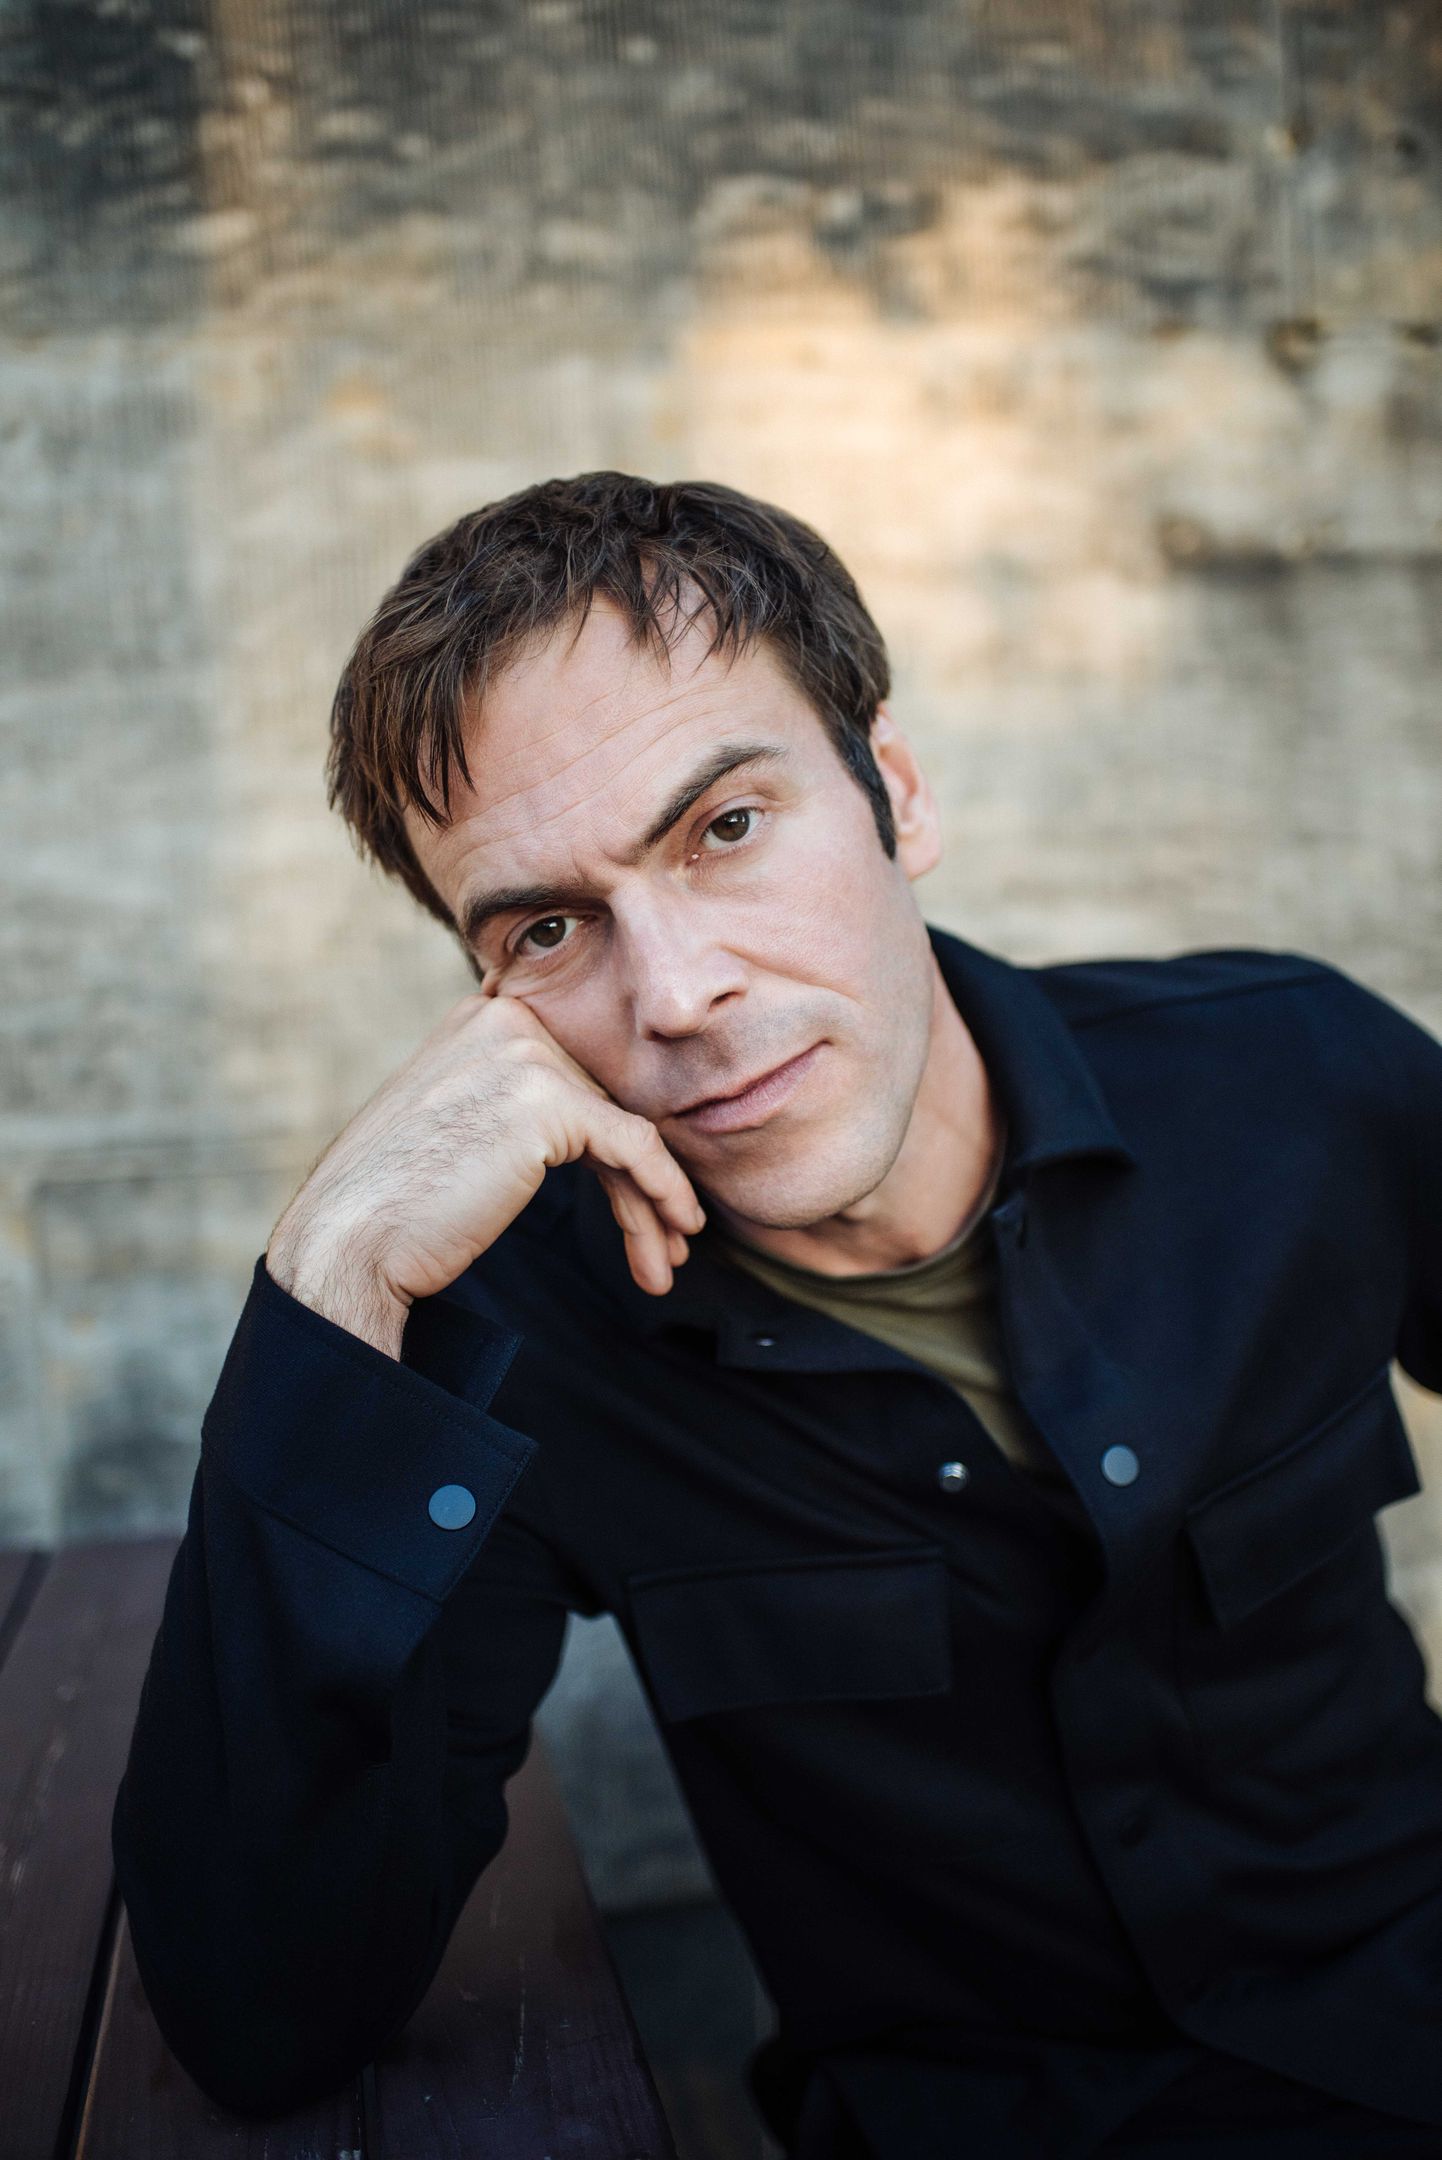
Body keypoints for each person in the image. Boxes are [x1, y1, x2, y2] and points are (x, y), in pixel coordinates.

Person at [112, 473, 1442, 2158]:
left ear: (894, 792)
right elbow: (262, 2009)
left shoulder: (1289, 1082)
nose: (676, 995)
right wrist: (330, 1280)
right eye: (549, 928)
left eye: (724, 829)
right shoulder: (512, 1344)